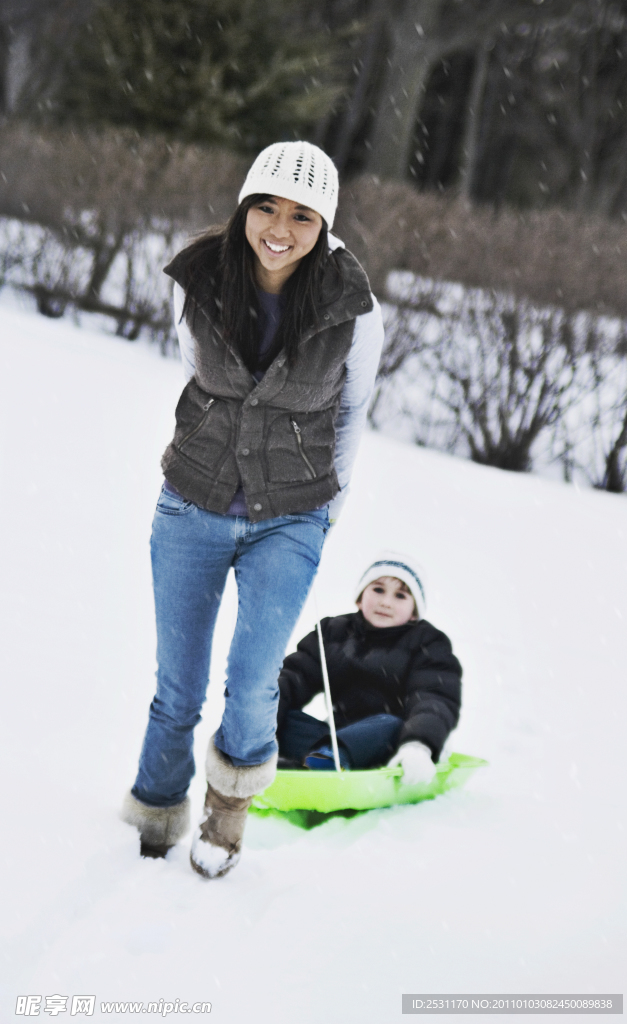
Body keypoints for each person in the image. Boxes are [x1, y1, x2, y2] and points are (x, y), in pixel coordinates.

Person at [121, 141, 384, 878]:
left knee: (253, 677)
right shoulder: (200, 276)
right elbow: (193, 372)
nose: (279, 227)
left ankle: (226, 814)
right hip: (192, 504)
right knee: (178, 681)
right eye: (265, 206)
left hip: (291, 516)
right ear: (244, 206)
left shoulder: (352, 308)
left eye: (302, 215)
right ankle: (156, 805)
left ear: (324, 225)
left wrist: (327, 510)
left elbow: (353, 410)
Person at [276, 553, 462, 782]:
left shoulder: (428, 644)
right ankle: (293, 757)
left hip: (390, 744)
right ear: (359, 597)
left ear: (415, 612)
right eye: (378, 590)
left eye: (400, 595)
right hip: (333, 738)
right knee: (285, 718)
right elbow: (293, 677)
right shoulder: (333, 632)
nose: (386, 602)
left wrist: (419, 744)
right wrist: (252, 722)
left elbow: (433, 697)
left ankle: (324, 761)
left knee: (390, 722)